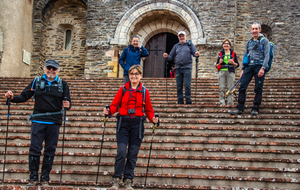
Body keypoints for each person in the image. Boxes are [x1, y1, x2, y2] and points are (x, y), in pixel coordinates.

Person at [4, 59, 71, 186]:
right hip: (38, 120)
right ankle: (33, 177)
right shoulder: (36, 81)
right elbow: (24, 96)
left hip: (54, 121)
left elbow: (67, 101)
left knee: (50, 150)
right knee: (35, 149)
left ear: (58, 70)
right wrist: (12, 98)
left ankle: (45, 177)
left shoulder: (63, 84)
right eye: (49, 68)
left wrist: (68, 105)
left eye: (54, 68)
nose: (51, 70)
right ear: (44, 68)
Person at [103, 65, 158, 189]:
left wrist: (153, 118)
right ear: (129, 76)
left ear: (140, 76)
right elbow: (114, 105)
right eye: (132, 74)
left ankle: (128, 179)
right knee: (121, 152)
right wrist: (108, 111)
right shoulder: (122, 89)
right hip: (123, 123)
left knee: (133, 154)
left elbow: (149, 110)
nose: (134, 76)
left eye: (136, 74)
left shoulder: (145, 91)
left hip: (137, 125)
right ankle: (117, 178)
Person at [230, 22, 270, 115]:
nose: (254, 31)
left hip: (259, 66)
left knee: (258, 88)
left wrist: (263, 68)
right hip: (248, 66)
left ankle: (255, 108)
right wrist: (243, 69)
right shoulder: (249, 42)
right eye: (253, 29)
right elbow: (245, 55)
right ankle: (240, 108)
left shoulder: (264, 41)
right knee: (242, 87)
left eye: (256, 29)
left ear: (260, 30)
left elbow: (267, 55)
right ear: (251, 30)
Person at [163, 31, 200, 104]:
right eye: (180, 36)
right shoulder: (176, 46)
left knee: (187, 85)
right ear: (178, 37)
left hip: (187, 67)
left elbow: (195, 53)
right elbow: (171, 56)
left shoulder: (190, 45)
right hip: (178, 68)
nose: (181, 37)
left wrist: (197, 54)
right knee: (179, 85)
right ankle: (180, 101)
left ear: (185, 37)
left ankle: (188, 100)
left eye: (183, 36)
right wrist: (166, 56)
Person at [215, 39, 239, 105]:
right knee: (221, 88)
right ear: (223, 45)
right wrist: (219, 63)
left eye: (227, 44)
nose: (226, 45)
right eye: (224, 44)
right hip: (222, 71)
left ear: (230, 45)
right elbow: (216, 65)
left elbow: (237, 65)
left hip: (230, 71)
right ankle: (222, 103)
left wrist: (233, 62)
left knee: (230, 88)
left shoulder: (233, 53)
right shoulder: (220, 54)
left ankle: (230, 103)